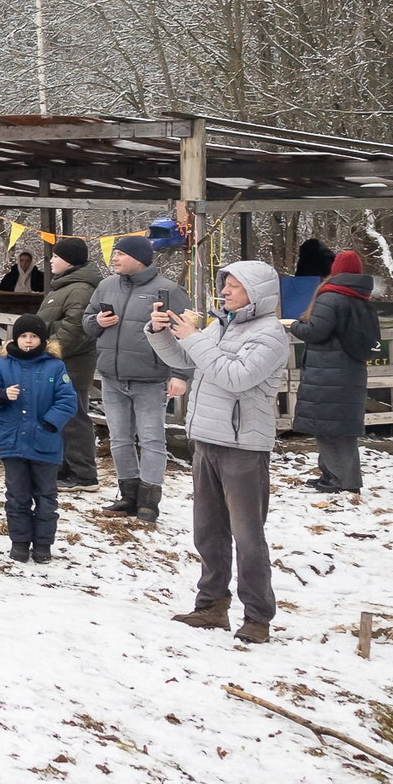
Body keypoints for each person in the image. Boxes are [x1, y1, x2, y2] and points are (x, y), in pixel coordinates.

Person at [151, 261, 290, 642]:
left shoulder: (270, 334)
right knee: (208, 532)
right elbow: (186, 360)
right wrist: (162, 333)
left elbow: (236, 377)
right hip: (208, 439)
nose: (225, 292)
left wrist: (194, 338)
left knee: (247, 537)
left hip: (244, 446)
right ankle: (211, 605)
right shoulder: (220, 325)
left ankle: (258, 617)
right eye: (224, 285)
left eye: (234, 286)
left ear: (257, 293)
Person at [86, 237, 192, 526]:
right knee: (119, 439)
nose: (115, 258)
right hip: (112, 376)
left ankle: (149, 502)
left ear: (139, 258)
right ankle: (128, 495)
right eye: (115, 253)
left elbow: (188, 334)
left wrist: (181, 374)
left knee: (151, 439)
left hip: (150, 379)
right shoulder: (106, 286)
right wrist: (97, 322)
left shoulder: (168, 290)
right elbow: (87, 321)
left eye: (121, 254)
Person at [0, 313, 77, 563]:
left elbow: (68, 401)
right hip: (12, 442)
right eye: (24, 336)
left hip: (46, 443)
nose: (28, 341)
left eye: (34, 336)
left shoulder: (54, 366)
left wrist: (48, 423)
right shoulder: (2, 365)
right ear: (16, 338)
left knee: (46, 497)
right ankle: (20, 542)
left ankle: (43, 545)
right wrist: (2, 395)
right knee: (17, 496)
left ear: (42, 340)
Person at [292, 249, 377, 495]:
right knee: (337, 429)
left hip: (328, 375)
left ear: (335, 271)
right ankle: (331, 474)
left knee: (331, 431)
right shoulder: (361, 298)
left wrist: (294, 325)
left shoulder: (331, 297)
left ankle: (343, 480)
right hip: (348, 373)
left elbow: (315, 331)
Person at [35, 240, 104, 488]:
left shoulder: (81, 290)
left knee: (74, 419)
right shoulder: (64, 287)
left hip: (70, 366)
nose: (51, 260)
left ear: (70, 260)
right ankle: (65, 468)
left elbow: (75, 331)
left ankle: (84, 475)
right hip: (56, 364)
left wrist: (44, 351)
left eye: (55, 256)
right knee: (61, 418)